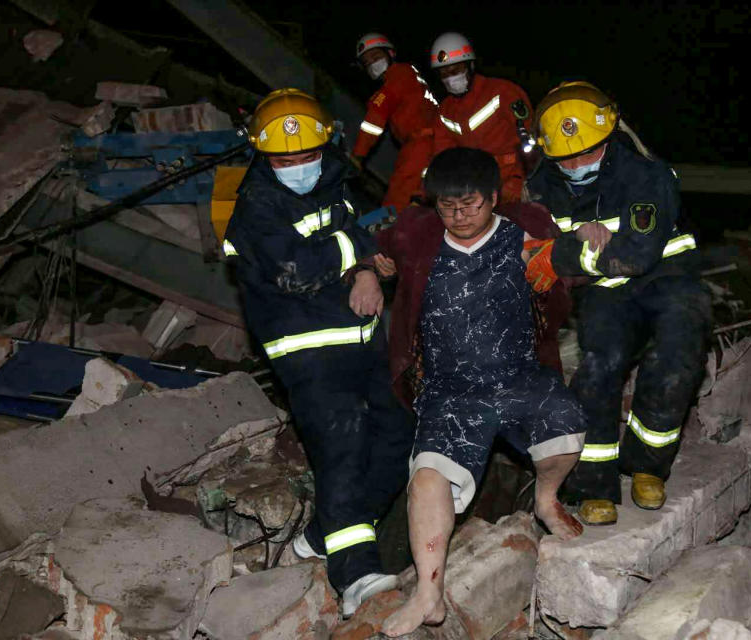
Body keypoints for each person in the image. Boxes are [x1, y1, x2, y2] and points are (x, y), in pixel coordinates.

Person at [371, 147, 586, 636]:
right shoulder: (416, 232)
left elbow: (575, 267)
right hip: (451, 391)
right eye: (447, 206)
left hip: (520, 376)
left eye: (469, 205)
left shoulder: (526, 228)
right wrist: (366, 271)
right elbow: (374, 248)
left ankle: (546, 498)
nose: (458, 216)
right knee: (426, 480)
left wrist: (584, 244)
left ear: (494, 198)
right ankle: (429, 595)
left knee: (568, 430)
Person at [223, 89, 414, 618]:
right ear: (263, 155)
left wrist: (369, 270)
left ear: (325, 148)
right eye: (285, 159)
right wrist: (364, 253)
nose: (299, 166)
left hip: (361, 338)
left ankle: (323, 535)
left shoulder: (335, 186)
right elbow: (296, 270)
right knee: (344, 446)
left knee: (400, 433)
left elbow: (349, 239)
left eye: (307, 155)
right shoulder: (254, 208)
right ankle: (356, 574)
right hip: (307, 352)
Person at [523, 82, 712, 523]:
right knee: (599, 365)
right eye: (565, 157)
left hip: (669, 280)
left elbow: (635, 255)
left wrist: (566, 252)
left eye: (586, 152)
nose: (576, 164)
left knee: (677, 355)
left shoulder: (646, 175)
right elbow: (528, 253)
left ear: (608, 138)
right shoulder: (542, 187)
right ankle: (594, 484)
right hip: (605, 292)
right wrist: (571, 245)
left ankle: (648, 467)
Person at [429, 32, 533, 203]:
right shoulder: (445, 112)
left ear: (470, 65)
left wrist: (525, 181)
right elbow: (443, 158)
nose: (450, 78)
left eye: (456, 70)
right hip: (478, 188)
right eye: (444, 74)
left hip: (516, 181)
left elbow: (530, 136)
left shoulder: (502, 92)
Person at [352, 33, 440, 214]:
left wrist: (357, 156)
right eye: (367, 63)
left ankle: (377, 238)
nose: (373, 64)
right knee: (417, 203)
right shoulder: (412, 76)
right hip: (436, 145)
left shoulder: (397, 76)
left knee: (395, 204)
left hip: (420, 147)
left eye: (376, 57)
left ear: (391, 54)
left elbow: (375, 118)